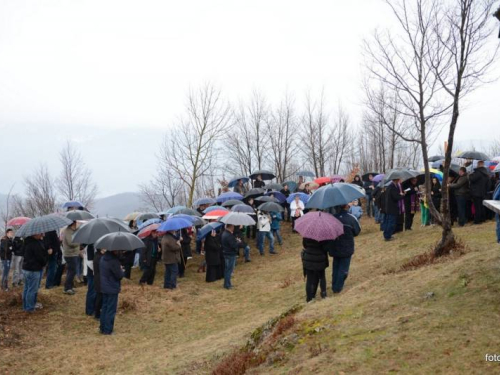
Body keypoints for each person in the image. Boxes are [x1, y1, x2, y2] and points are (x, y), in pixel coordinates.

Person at [330, 204, 361, 293]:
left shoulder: (332, 218)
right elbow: (357, 231)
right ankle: (337, 287)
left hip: (335, 246)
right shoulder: (351, 218)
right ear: (346, 206)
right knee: (343, 268)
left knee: (336, 266)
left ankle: (334, 285)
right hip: (347, 247)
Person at [99, 250, 124, 335]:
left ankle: (102, 328)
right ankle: (108, 330)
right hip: (112, 287)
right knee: (111, 309)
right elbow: (119, 275)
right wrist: (121, 270)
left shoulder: (103, 258)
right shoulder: (114, 261)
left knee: (104, 308)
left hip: (104, 286)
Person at [22, 233, 47, 312]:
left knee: (26, 288)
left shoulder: (26, 242)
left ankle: (25, 306)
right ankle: (29, 308)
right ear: (35, 234)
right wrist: (44, 262)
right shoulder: (35, 244)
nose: (41, 234)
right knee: (32, 290)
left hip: (26, 268)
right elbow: (40, 257)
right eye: (40, 233)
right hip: (34, 269)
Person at [301, 238, 329, 302]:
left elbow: (304, 245)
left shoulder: (307, 234)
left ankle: (309, 298)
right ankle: (323, 294)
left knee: (309, 280)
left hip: (308, 258)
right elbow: (326, 248)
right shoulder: (323, 235)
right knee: (322, 277)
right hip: (320, 259)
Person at [62, 221, 80, 295]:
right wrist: (79, 242)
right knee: (71, 271)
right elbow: (71, 243)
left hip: (73, 254)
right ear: (73, 223)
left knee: (72, 271)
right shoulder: (67, 231)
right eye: (76, 223)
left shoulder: (73, 231)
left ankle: (69, 286)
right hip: (70, 254)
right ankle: (67, 288)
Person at [221, 224, 239, 289]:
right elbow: (233, 245)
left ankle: (227, 283)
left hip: (226, 253)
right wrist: (237, 242)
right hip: (230, 254)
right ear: (231, 227)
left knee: (227, 270)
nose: (234, 228)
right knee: (229, 270)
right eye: (233, 226)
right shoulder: (229, 235)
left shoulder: (224, 233)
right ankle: (227, 285)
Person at [93, 248, 105, 319]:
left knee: (99, 296)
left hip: (98, 278)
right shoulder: (99, 257)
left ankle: (97, 312)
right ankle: (97, 314)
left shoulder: (97, 256)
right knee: (99, 297)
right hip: (99, 279)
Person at [85, 244, 96, 316]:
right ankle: (89, 310)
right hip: (92, 271)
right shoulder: (91, 246)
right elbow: (90, 260)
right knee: (92, 291)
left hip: (94, 271)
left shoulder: (93, 245)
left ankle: (93, 308)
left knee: (94, 291)